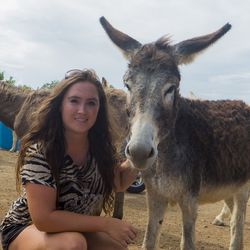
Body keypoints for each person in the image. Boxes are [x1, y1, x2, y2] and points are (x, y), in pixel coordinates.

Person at [0, 69, 138, 250]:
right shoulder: (41, 151)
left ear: (99, 109)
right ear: (60, 105)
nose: (82, 110)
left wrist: (141, 156)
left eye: (91, 103)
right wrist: (105, 224)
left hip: (73, 228)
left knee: (115, 247)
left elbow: (118, 182)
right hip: (26, 228)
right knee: (73, 244)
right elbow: (44, 219)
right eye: (74, 101)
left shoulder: (100, 150)